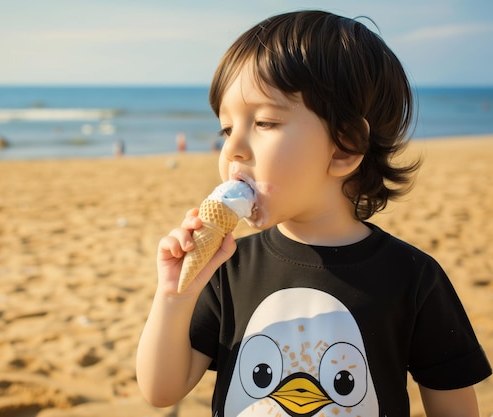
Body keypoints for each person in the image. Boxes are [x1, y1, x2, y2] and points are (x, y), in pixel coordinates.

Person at [136, 10, 491, 417]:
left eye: (265, 122)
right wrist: (173, 296)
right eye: (227, 129)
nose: (233, 148)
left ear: (344, 147)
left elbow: (454, 405)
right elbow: (161, 390)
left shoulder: (412, 277)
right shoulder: (228, 268)